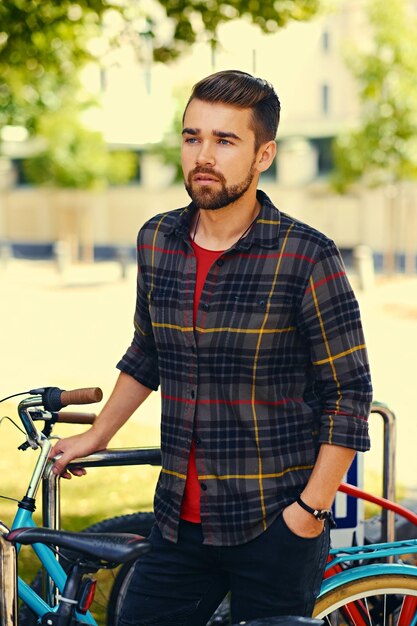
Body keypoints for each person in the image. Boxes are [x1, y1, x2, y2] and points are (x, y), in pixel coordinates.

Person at [49, 70, 372, 625]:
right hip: (179, 522)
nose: (204, 155)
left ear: (262, 154)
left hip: (275, 521)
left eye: (225, 141)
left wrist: (310, 510)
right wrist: (97, 435)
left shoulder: (305, 256)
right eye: (192, 136)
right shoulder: (157, 240)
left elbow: (348, 394)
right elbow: (147, 352)